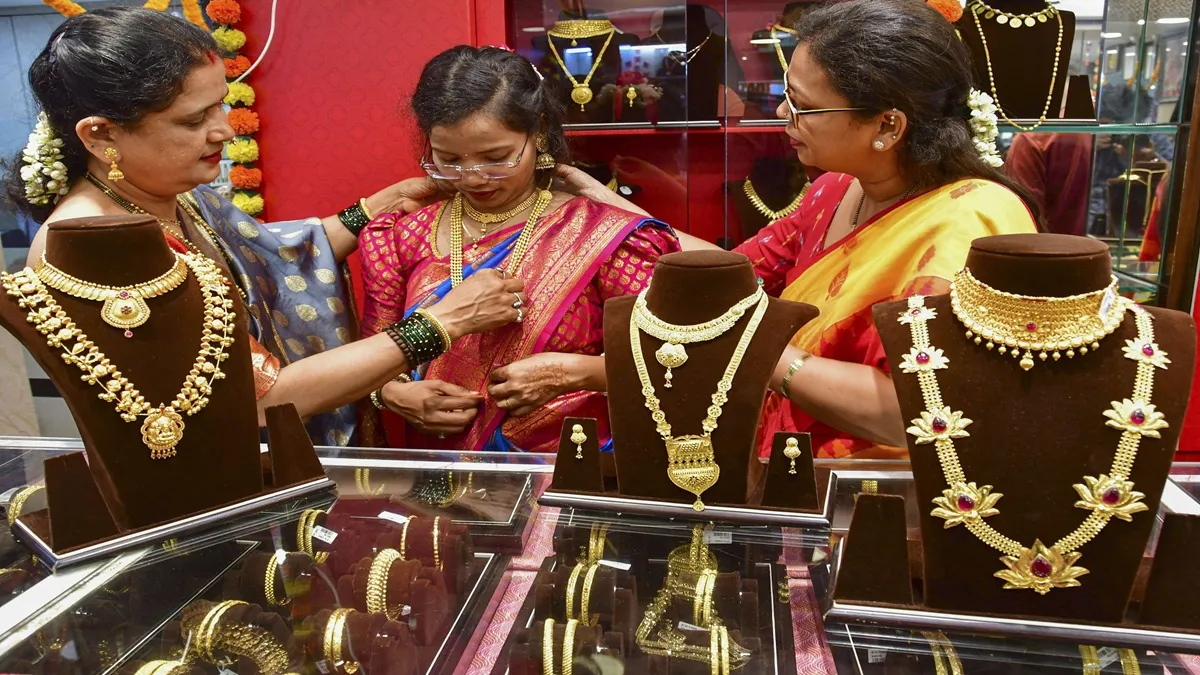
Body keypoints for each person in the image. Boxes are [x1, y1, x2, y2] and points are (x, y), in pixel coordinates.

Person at [8, 7, 525, 446]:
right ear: (101, 135)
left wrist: (371, 210)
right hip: (207, 487)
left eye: (220, 104)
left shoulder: (166, 194)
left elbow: (268, 258)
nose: (223, 130)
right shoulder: (95, 244)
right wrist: (440, 323)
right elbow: (255, 397)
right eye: (193, 120)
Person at [557, 0, 1041, 459]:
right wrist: (605, 204)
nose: (780, 114)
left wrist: (758, 351)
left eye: (802, 105)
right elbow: (733, 272)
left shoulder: (967, 223)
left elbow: (918, 410)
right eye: (787, 95)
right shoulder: (836, 189)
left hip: (884, 487)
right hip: (791, 463)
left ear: (887, 127)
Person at [359, 46, 678, 453]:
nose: (473, 178)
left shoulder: (604, 235)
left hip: (574, 470)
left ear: (538, 131)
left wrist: (577, 373)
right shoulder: (401, 236)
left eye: (496, 158)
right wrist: (392, 393)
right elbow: (373, 357)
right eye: (448, 159)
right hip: (437, 472)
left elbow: (673, 362)